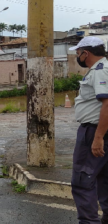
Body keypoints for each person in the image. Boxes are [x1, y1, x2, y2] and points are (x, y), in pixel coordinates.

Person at [69, 36, 108, 224]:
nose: (78, 56)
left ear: (86, 53)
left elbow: (107, 104)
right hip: (100, 131)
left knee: (83, 181)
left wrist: (98, 137)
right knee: (103, 178)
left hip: (94, 132)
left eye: (78, 53)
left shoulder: (100, 71)